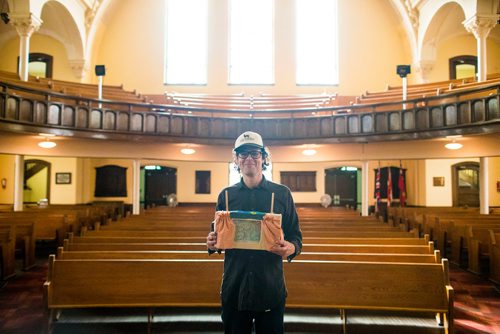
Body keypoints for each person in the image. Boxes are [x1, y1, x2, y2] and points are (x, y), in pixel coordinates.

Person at [206, 131, 302, 334]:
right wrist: (211, 243)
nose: (249, 158)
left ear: (264, 157)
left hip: (269, 286)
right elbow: (215, 235)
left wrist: (290, 248)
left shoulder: (282, 194)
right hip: (235, 287)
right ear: (236, 159)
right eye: (243, 154)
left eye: (254, 153)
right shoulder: (226, 195)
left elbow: (296, 236)